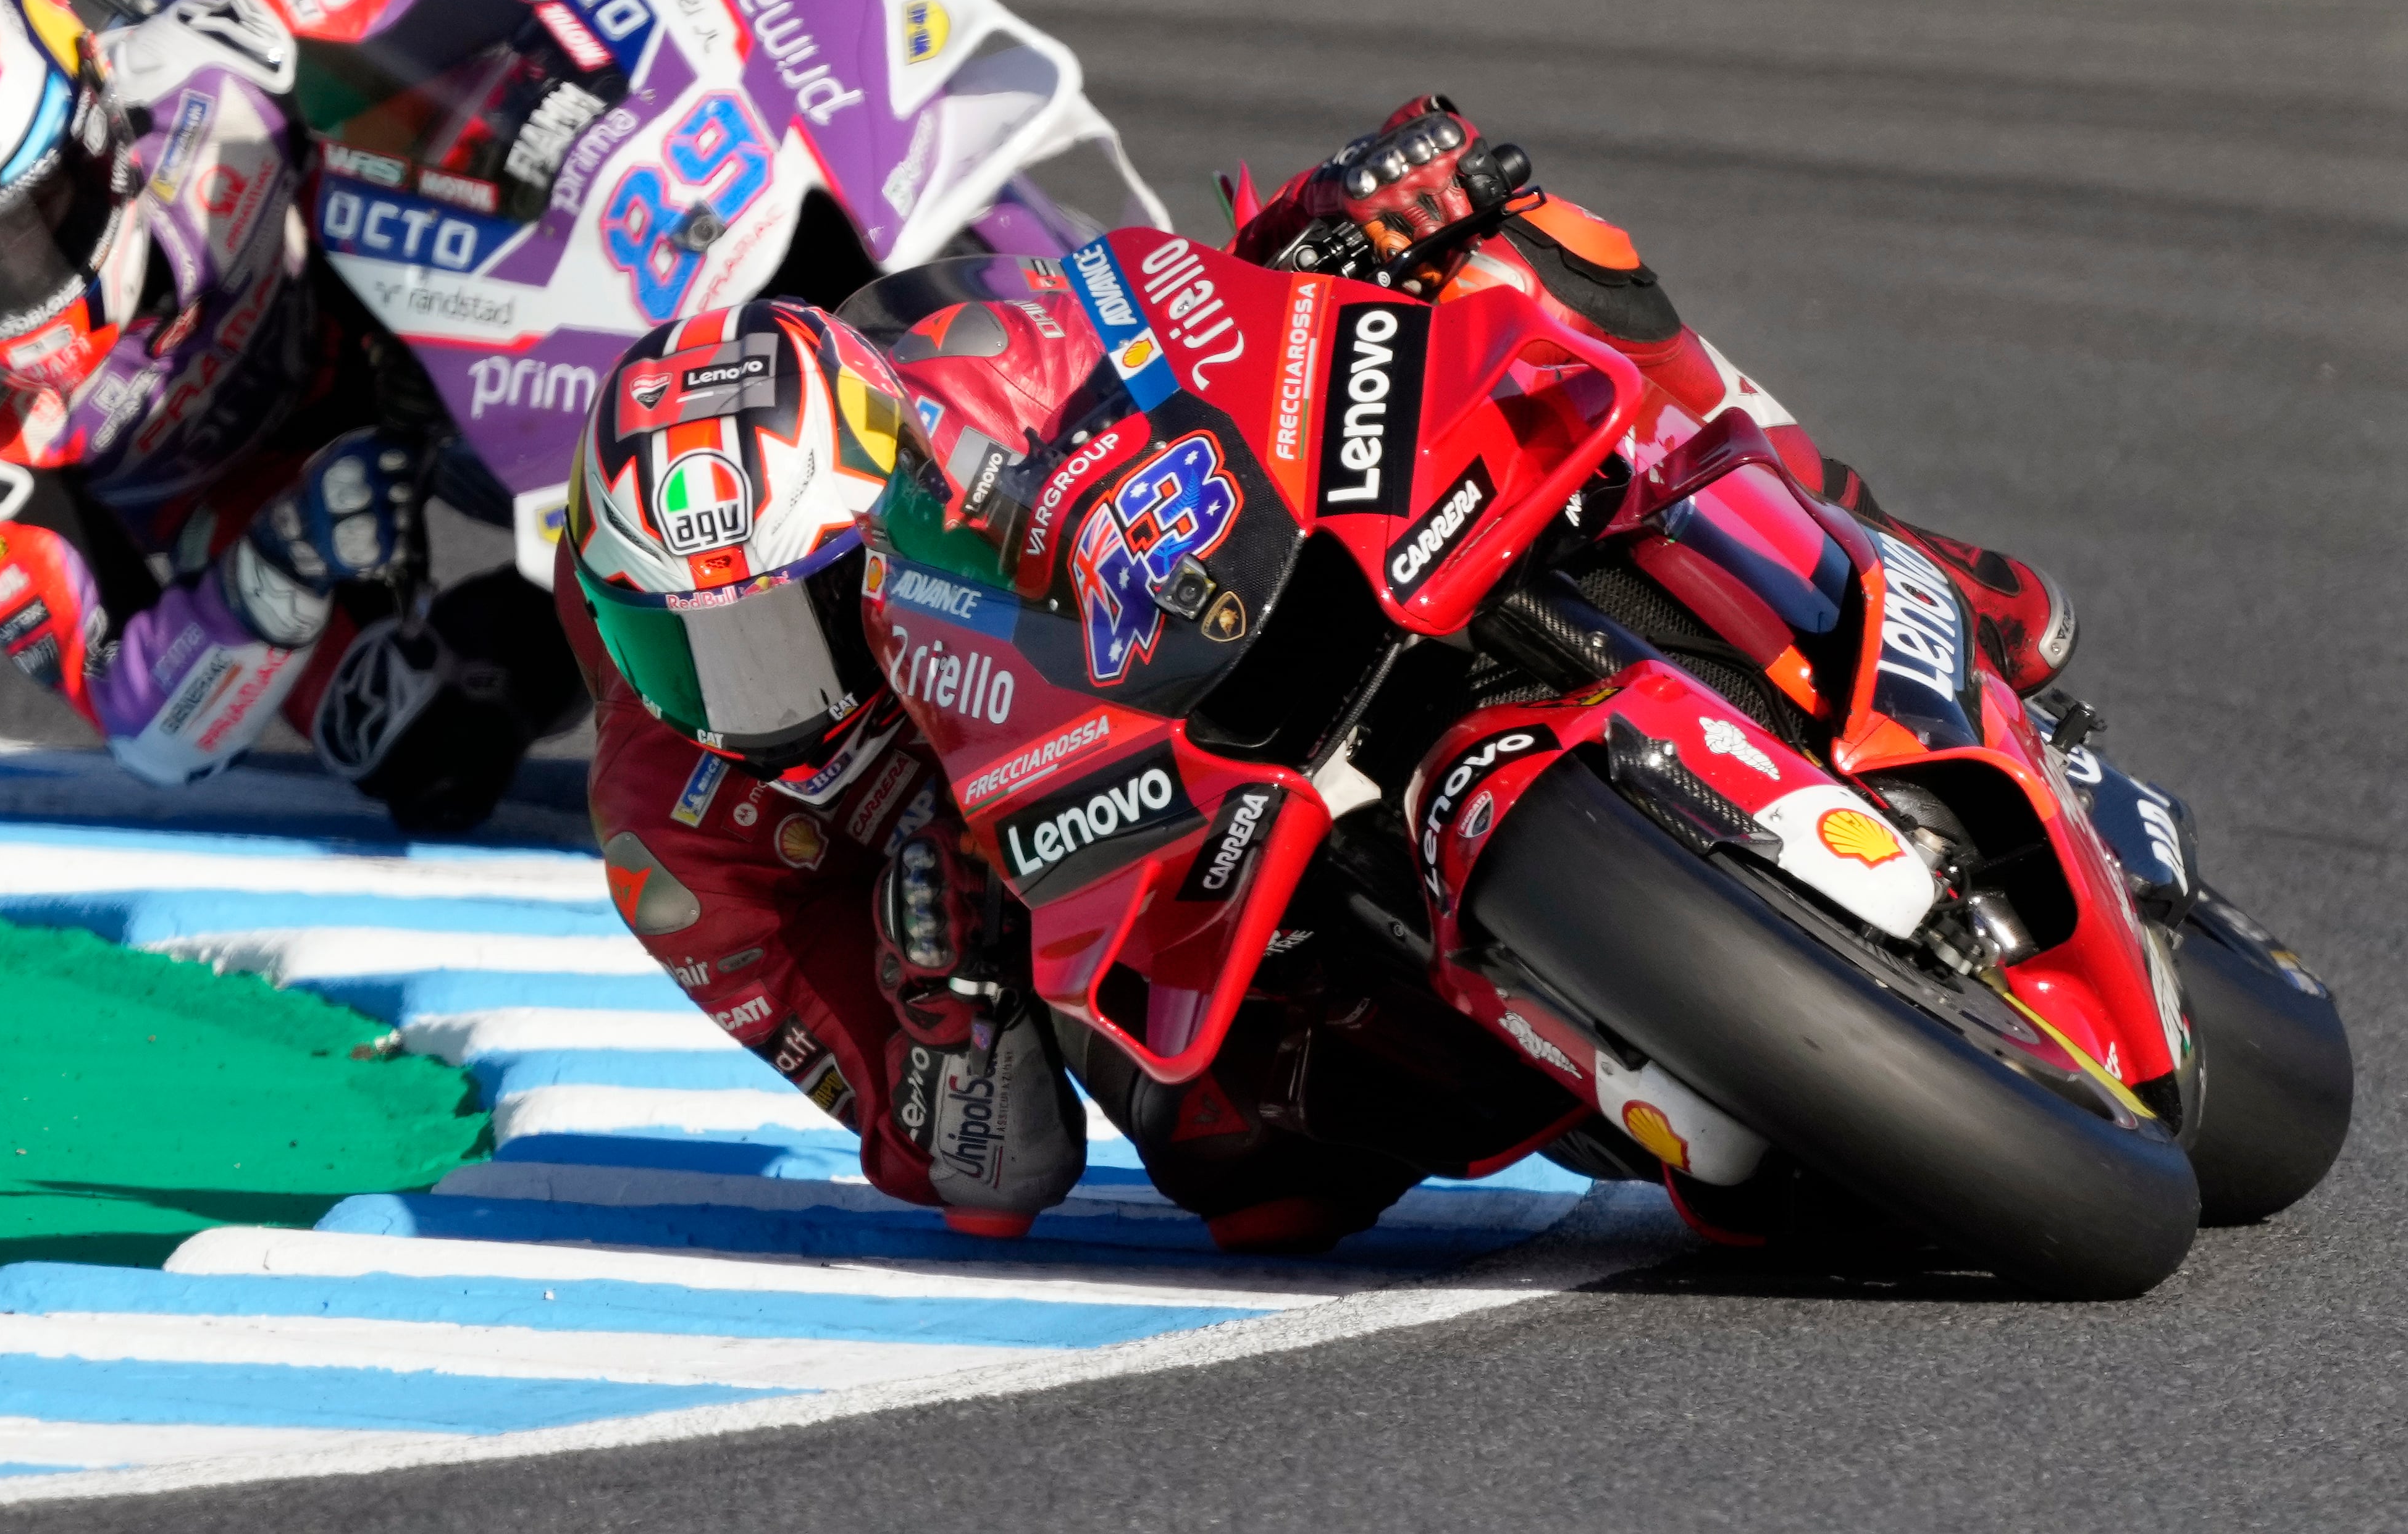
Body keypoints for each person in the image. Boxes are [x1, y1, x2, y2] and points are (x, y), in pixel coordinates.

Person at [556, 96, 2080, 1251]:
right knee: (1251, 1184)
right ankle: (1627, 1058)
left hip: (1225, 636)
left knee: (1526, 258)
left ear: (877, 506)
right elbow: (985, 1169)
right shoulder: (678, 842)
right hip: (1144, 931)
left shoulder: (959, 373)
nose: (758, 677)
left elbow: (1177, 318)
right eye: (690, 645)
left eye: (793, 610)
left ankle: (1878, 544)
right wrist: (952, 1000)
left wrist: (1332, 235)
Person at [0, 0, 888, 828]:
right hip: (269, 522)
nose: (8, 299)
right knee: (420, 750)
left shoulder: (203, 53)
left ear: (97, 130)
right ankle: (666, 652)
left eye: (29, 225)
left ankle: (854, 327)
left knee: (442, 102)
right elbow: (144, 725)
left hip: (422, 335)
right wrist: (283, 560)